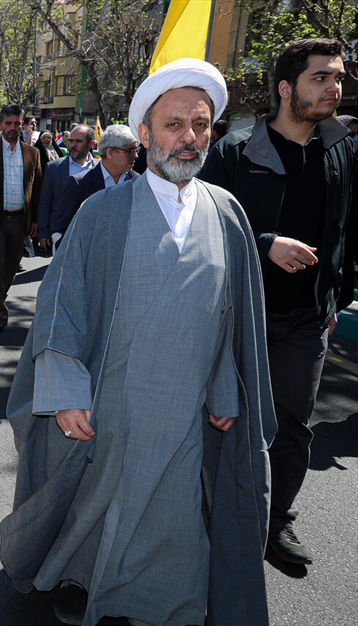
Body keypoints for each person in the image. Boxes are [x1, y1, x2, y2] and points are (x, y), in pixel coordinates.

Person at [0, 58, 275, 626]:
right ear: (144, 135)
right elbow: (61, 304)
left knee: (175, 513)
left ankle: (165, 600)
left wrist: (226, 388)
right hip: (113, 402)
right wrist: (67, 390)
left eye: (200, 125)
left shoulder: (227, 213)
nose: (189, 137)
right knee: (98, 504)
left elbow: (233, 318)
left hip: (188, 411)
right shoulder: (103, 212)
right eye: (173, 124)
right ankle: (81, 577)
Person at [199, 38, 354, 567]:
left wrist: (335, 298)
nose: (334, 88)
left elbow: (346, 229)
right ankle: (205, 518)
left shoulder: (341, 148)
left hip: (307, 321)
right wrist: (265, 244)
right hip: (237, 316)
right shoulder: (233, 151)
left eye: (338, 77)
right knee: (221, 417)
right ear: (286, 88)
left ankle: (275, 522)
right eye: (321, 78)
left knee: (292, 426)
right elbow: (201, 226)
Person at [0, 104, 42, 333]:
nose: (13, 127)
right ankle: (0, 311)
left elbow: (37, 189)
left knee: (11, 266)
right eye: (8, 123)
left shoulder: (32, 153)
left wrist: (35, 219)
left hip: (20, 220)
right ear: (0, 124)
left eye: (17, 123)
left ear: (22, 125)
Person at [50, 124, 140, 247]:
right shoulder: (80, 183)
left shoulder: (137, 182)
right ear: (110, 153)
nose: (135, 156)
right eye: (130, 151)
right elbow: (63, 230)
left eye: (136, 150)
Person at [36, 124, 96, 254]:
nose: (73, 145)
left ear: (91, 144)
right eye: (71, 141)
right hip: (61, 233)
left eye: (78, 141)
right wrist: (43, 231)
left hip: (93, 233)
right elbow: (45, 201)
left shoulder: (99, 168)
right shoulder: (54, 168)